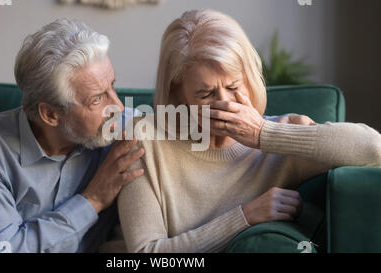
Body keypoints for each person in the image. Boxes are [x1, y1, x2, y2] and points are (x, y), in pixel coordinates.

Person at [102, 9, 381, 253]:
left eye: (234, 86)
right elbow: (145, 252)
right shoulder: (144, 137)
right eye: (206, 93)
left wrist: (263, 134)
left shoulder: (283, 136)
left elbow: (373, 148)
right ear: (178, 95)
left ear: (249, 78)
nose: (225, 102)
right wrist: (245, 217)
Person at [0, 19, 145, 253]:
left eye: (112, 87)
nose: (117, 106)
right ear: (50, 114)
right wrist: (92, 200)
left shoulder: (124, 128)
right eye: (97, 99)